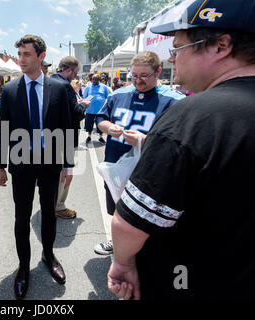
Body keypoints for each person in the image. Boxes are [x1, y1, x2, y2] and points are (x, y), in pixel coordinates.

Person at [107, 0, 255, 300]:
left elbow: (127, 224)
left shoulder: (190, 117)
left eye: (178, 47)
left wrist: (122, 262)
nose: (174, 58)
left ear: (221, 45)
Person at [0, 35, 73, 300]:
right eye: (19, 53)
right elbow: (3, 130)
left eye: (27, 54)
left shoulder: (59, 88)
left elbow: (66, 126)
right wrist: (0, 165)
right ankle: (23, 267)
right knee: (21, 217)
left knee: (49, 214)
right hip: (21, 164)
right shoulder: (9, 90)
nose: (21, 59)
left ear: (41, 57)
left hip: (50, 162)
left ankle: (48, 256)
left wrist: (68, 163)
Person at [93, 51, 184, 256]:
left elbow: (179, 140)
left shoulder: (173, 100)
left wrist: (145, 140)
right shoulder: (118, 95)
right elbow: (101, 119)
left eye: (144, 76)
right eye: (134, 75)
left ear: (158, 72)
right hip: (116, 163)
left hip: (149, 169)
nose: (138, 81)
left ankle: (143, 250)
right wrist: (109, 128)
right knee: (117, 206)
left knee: (147, 212)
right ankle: (116, 240)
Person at [50, 56, 90, 220]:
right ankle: (59, 205)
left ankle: (51, 201)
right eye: (75, 72)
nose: (76, 76)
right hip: (64, 138)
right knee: (64, 174)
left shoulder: (48, 80)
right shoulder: (65, 86)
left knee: (52, 173)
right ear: (68, 69)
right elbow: (75, 113)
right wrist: (84, 105)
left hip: (48, 137)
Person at [83, 74, 108, 144]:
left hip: (100, 111)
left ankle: (100, 137)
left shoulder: (104, 87)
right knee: (89, 125)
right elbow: (85, 97)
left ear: (99, 80)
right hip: (90, 110)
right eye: (93, 79)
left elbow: (106, 97)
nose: (94, 81)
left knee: (101, 124)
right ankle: (89, 136)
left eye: (96, 79)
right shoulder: (88, 87)